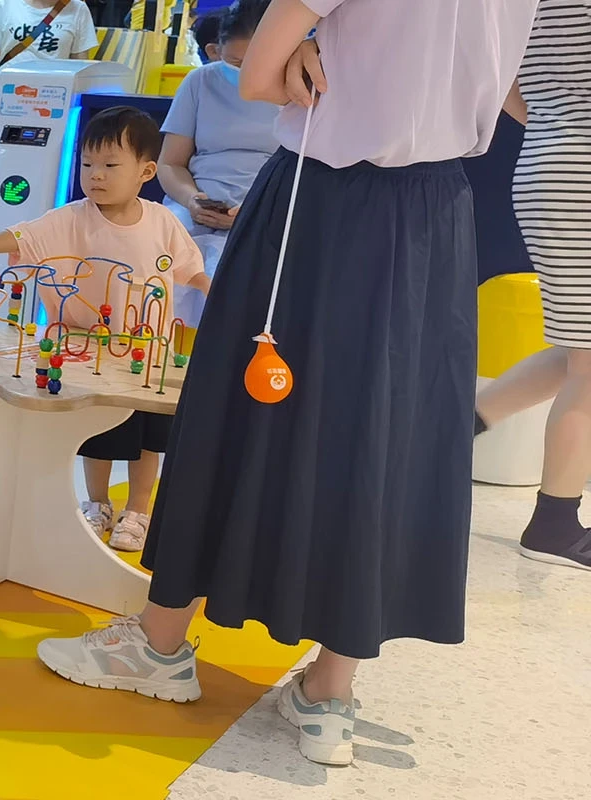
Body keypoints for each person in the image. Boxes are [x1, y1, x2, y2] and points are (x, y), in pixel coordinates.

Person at [33, 0, 538, 767]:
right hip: (434, 214)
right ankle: (330, 691)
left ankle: (160, 644)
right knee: (383, 433)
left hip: (320, 204)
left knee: (237, 412)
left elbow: (261, 76)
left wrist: (312, 43)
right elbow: (521, 93)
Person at [0, 107, 211, 553]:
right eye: (87, 164)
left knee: (149, 438)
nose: (96, 175)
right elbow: (25, 236)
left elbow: (190, 267)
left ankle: (138, 510)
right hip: (93, 353)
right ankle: (98, 503)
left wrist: (208, 286)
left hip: (147, 354)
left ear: (146, 171)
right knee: (99, 433)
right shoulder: (71, 218)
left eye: (110, 165)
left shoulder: (162, 221)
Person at [473, 0, 591, 573]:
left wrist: (554, 122)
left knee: (580, 349)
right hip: (576, 174)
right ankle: (554, 524)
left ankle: (450, 431)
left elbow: (499, 78)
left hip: (553, 165)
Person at [156, 0, 279, 287]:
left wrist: (254, 212)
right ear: (215, 51)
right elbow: (170, 163)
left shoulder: (298, 89)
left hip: (269, 210)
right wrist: (192, 200)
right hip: (198, 207)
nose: (248, 73)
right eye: (236, 63)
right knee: (166, 258)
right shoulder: (199, 82)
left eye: (258, 62)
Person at [0, 0, 100, 126]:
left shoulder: (78, 9)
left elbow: (79, 65)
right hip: (6, 96)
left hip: (52, 99)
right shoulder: (6, 4)